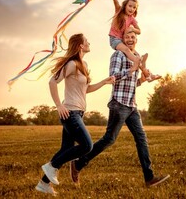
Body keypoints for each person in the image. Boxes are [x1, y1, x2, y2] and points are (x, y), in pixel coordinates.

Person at [70, 30, 170, 187]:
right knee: (109, 139)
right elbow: (113, 77)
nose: (130, 39)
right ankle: (78, 163)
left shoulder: (135, 55)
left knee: (141, 139)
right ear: (122, 40)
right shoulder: (118, 55)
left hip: (131, 105)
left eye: (133, 37)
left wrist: (142, 80)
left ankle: (149, 178)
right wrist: (132, 69)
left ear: (136, 39)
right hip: (119, 104)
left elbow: (131, 84)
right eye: (127, 37)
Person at [35, 33, 115, 196]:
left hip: (78, 112)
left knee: (66, 148)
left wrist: (104, 82)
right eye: (87, 41)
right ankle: (51, 166)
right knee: (87, 145)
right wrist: (58, 105)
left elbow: (86, 89)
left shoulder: (83, 64)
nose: (89, 43)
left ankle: (44, 183)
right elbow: (52, 81)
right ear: (80, 45)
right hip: (69, 112)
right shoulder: (71, 64)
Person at [108, 0, 161, 82]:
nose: (132, 9)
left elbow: (139, 31)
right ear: (125, 6)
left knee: (136, 55)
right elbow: (115, 1)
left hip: (122, 40)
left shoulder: (131, 18)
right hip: (114, 40)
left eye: (134, 7)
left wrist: (133, 29)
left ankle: (149, 76)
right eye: (130, 6)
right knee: (129, 52)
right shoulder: (119, 11)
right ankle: (139, 64)